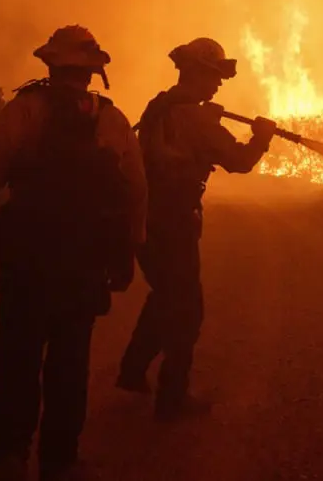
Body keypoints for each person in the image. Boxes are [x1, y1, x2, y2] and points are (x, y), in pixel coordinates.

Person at [0, 25, 147, 481]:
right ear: (92, 72)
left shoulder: (26, 109)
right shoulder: (111, 120)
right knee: (69, 363)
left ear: (52, 65)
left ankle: (9, 455)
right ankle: (60, 460)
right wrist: (129, 252)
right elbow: (135, 190)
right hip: (84, 261)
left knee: (18, 355)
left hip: (28, 256)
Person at [116, 37, 277, 420]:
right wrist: (261, 138)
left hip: (145, 216)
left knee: (165, 293)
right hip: (174, 221)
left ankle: (132, 370)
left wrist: (209, 119)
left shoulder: (160, 105)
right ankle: (172, 399)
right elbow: (239, 160)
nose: (219, 83)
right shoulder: (196, 118)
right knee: (187, 309)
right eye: (214, 75)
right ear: (196, 73)